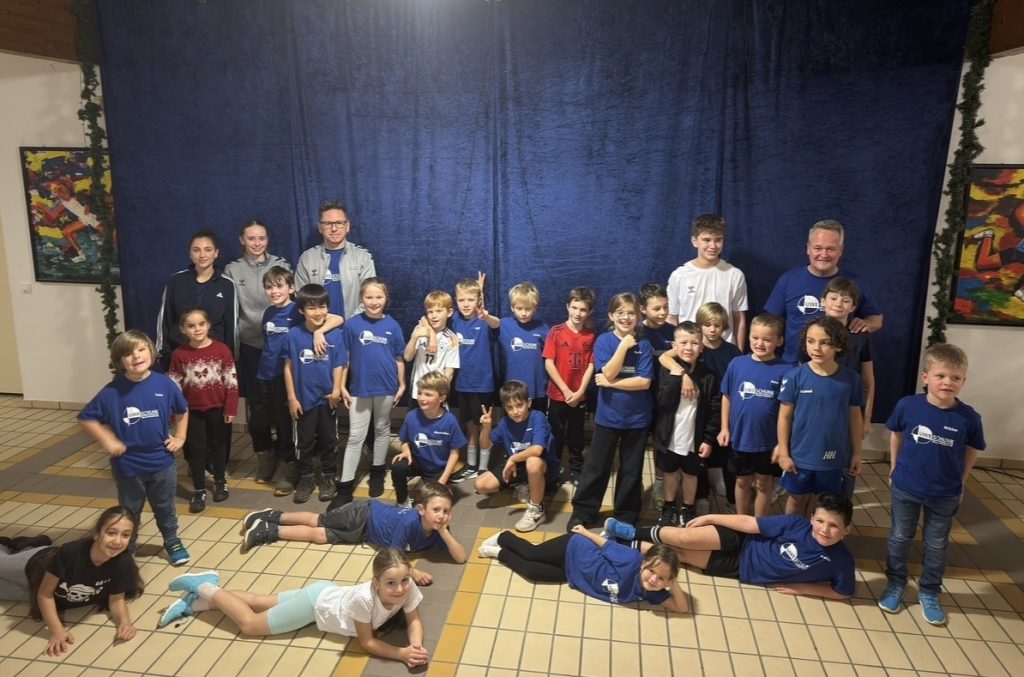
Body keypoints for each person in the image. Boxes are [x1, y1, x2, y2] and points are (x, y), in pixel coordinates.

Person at [161, 548, 431, 669]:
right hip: (315, 606)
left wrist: (416, 646)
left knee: (257, 600)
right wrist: (401, 653)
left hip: (325, 592)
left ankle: (193, 603)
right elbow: (367, 642)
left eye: (404, 580)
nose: (399, 589)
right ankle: (204, 585)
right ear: (376, 583)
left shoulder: (408, 588)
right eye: (391, 583)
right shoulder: (364, 599)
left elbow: (414, 619)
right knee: (250, 625)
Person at [879, 343, 985, 626]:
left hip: (944, 493)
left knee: (937, 544)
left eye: (955, 378)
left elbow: (972, 450)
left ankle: (929, 591)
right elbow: (897, 435)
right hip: (906, 487)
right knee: (900, 536)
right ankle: (896, 583)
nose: (947, 382)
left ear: (963, 381)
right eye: (941, 376)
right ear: (926, 377)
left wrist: (961, 482)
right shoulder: (908, 405)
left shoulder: (969, 418)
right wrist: (894, 467)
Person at [604, 492, 856, 600]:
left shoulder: (842, 561)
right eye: (820, 521)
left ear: (847, 530)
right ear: (812, 518)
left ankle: (623, 543)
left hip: (741, 568)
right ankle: (631, 531)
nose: (824, 530)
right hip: (741, 540)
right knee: (684, 537)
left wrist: (802, 589)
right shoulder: (795, 525)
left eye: (833, 526)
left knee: (680, 554)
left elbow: (843, 592)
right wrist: (711, 517)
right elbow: (749, 524)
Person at [78, 331, 192, 566]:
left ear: (151, 351)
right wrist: (108, 440)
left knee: (165, 506)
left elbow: (182, 410)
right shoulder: (112, 392)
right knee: (130, 510)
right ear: (120, 361)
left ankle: (171, 540)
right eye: (128, 354)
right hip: (128, 466)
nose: (136, 356)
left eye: (141, 349)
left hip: (162, 462)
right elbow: (86, 418)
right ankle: (127, 547)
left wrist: (181, 436)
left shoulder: (164, 384)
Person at [240, 481, 467, 584]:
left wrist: (444, 532)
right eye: (436, 510)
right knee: (317, 520)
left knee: (320, 536)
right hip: (363, 513)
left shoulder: (439, 529)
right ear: (421, 510)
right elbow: (393, 554)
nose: (441, 516)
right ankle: (272, 515)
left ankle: (270, 531)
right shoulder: (409, 522)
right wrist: (414, 573)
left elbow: (461, 557)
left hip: (365, 534)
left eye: (446, 511)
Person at [0, 507, 144, 657]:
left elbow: (116, 598)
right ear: (96, 533)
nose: (117, 541)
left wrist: (125, 623)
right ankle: (24, 546)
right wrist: (57, 631)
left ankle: (29, 544)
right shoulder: (71, 552)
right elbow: (45, 595)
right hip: (36, 566)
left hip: (36, 590)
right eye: (111, 533)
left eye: (125, 535)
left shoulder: (123, 562)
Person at [568, 293, 654, 529]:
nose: (625, 318)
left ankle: (626, 515)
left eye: (631, 313)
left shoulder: (644, 345)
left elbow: (644, 382)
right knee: (596, 468)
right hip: (608, 417)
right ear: (611, 316)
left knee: (631, 470)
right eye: (620, 313)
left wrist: (611, 383)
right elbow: (607, 372)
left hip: (637, 419)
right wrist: (623, 346)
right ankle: (583, 512)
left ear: (638, 316)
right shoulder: (604, 341)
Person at [253, 266, 342, 493]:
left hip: (292, 378)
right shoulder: (269, 312)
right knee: (260, 424)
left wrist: (319, 332)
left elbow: (335, 318)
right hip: (266, 375)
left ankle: (294, 472)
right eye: (269, 287)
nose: (274, 291)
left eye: (279, 286)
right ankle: (274, 462)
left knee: (291, 427)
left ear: (291, 288)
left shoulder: (297, 309)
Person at [477, 525, 687, 612]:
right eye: (651, 571)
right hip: (575, 547)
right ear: (643, 564)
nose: (653, 579)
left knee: (532, 573)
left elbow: (681, 608)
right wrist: (586, 533)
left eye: (662, 578)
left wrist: (673, 583)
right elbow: (606, 545)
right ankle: (503, 537)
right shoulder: (631, 560)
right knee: (532, 553)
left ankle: (498, 553)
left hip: (573, 572)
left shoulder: (653, 591)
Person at [775, 317, 864, 517]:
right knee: (796, 499)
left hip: (833, 458)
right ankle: (791, 533)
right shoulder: (794, 377)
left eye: (825, 342)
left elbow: (855, 418)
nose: (816, 348)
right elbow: (784, 417)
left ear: (838, 346)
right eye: (810, 341)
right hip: (799, 456)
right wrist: (783, 452)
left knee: (823, 503)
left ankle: (814, 535)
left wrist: (857, 453)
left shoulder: (851, 379)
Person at [764, 219, 883, 363]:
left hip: (839, 367)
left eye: (831, 249)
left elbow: (877, 319)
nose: (824, 254)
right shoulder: (788, 280)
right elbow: (770, 323)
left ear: (841, 250)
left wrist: (865, 323)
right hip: (793, 365)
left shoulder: (855, 283)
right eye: (818, 248)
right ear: (808, 248)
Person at [222, 220, 292, 459]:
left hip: (281, 349)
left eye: (261, 238)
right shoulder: (232, 270)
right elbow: (229, 310)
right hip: (251, 347)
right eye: (251, 238)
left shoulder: (281, 265)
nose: (256, 243)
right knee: (257, 407)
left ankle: (286, 454)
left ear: (267, 239)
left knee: (283, 405)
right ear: (242, 240)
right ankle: (264, 453)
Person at [339, 277, 406, 503]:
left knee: (382, 428)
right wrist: (341, 386)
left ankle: (377, 471)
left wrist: (402, 384)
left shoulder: (392, 325)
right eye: (369, 297)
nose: (374, 301)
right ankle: (345, 486)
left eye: (379, 297)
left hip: (386, 386)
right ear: (361, 298)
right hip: (360, 388)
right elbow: (345, 358)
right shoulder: (352, 325)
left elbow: (399, 357)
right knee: (355, 436)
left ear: (386, 298)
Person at [718, 314, 791, 516]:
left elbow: (788, 412)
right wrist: (724, 427)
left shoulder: (786, 370)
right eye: (755, 337)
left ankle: (759, 525)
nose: (760, 343)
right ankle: (741, 522)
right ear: (749, 336)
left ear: (779, 341)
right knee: (742, 482)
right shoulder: (737, 364)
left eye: (767, 339)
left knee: (763, 483)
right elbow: (727, 397)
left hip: (767, 441)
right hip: (740, 438)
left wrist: (781, 444)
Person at [168, 308, 239, 511]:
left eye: (201, 324)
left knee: (219, 446)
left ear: (208, 325)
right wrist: (174, 413)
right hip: (191, 412)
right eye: (191, 326)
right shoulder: (179, 354)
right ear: (183, 329)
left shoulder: (222, 350)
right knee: (196, 450)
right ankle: (199, 489)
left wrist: (230, 408)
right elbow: (174, 387)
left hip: (218, 409)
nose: (197, 329)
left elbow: (231, 381)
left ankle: (220, 482)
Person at [653, 322, 720, 527]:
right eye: (683, 343)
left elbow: (714, 410)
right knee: (670, 473)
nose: (689, 348)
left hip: (695, 438)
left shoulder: (708, 376)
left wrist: (708, 439)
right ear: (674, 345)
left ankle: (688, 507)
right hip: (669, 436)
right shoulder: (667, 370)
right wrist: (678, 376)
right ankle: (669, 506)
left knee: (691, 475)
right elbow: (663, 401)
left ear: (702, 347)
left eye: (694, 343)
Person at [285, 284, 347, 504]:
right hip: (303, 400)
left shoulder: (336, 335)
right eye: (311, 308)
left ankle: (329, 476)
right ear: (301, 310)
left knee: (330, 439)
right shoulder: (294, 335)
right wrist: (292, 398)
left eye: (322, 307)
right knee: (304, 442)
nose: (318, 312)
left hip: (328, 399)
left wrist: (337, 390)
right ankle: (306, 477)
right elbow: (288, 368)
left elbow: (339, 364)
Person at [474, 380, 561, 532]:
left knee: (532, 462)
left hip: (542, 467)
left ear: (529, 402)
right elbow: (485, 445)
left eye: (519, 405)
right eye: (509, 407)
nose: (515, 411)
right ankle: (523, 486)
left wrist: (513, 458)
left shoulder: (537, 417)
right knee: (480, 485)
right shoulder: (505, 423)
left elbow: (537, 450)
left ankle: (537, 509)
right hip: (516, 467)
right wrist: (486, 429)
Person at [156, 229, 237, 371]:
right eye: (196, 250)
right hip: (180, 356)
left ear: (216, 253)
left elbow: (231, 326)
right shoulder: (176, 281)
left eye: (208, 250)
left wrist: (230, 360)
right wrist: (165, 356)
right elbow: (165, 321)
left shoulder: (227, 285)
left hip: (214, 360)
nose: (202, 255)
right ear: (190, 254)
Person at [666, 214, 748, 352]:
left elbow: (739, 318)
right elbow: (672, 318)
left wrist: (738, 355)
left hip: (724, 351)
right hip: (691, 352)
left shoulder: (734, 275)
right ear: (695, 241)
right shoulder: (679, 275)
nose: (713, 246)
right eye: (706, 240)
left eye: (718, 240)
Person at [542, 287, 596, 486]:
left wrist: (580, 392)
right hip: (558, 394)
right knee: (555, 434)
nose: (577, 313)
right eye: (574, 308)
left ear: (589, 312)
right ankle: (554, 469)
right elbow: (549, 363)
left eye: (583, 309)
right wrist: (565, 390)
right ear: (567, 306)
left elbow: (591, 365)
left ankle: (575, 469)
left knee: (576, 435)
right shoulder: (556, 332)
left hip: (579, 396)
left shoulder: (591, 336)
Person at [448, 274, 497, 483]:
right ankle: (470, 465)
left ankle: (483, 468)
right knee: (469, 425)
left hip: (482, 385)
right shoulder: (455, 320)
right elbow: (429, 318)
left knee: (483, 425)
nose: (466, 304)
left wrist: (482, 300)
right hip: (462, 384)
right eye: (461, 300)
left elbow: (496, 323)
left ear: (478, 300)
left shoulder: (484, 320)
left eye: (471, 299)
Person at [391, 373, 467, 507]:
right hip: (417, 462)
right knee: (398, 466)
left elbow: (455, 453)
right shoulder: (411, 416)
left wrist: (443, 479)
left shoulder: (450, 421)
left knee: (434, 504)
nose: (422, 398)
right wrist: (405, 450)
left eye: (428, 395)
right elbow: (404, 440)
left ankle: (442, 485)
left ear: (442, 397)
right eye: (420, 393)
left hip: (437, 469)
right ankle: (402, 501)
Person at [294, 200, 376, 320]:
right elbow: (301, 297)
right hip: (319, 328)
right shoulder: (307, 258)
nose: (334, 228)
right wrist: (322, 324)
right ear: (320, 227)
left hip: (354, 327)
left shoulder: (363, 257)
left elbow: (370, 296)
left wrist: (352, 325)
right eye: (328, 223)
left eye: (339, 223)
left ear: (347, 226)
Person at [480, 281, 549, 406]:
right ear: (512, 307)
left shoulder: (542, 328)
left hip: (537, 389)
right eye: (519, 308)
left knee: (537, 418)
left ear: (535, 308)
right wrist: (486, 317)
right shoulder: (505, 324)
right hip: (512, 389)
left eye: (528, 309)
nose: (523, 313)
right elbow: (495, 323)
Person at [404, 290, 460, 398]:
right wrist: (414, 337)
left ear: (449, 312)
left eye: (439, 311)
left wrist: (442, 394)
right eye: (430, 312)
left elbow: (449, 371)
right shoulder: (420, 330)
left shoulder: (451, 338)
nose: (434, 316)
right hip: (417, 392)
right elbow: (407, 357)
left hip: (436, 394)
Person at [639, 283, 676, 354]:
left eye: (666, 307)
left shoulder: (674, 332)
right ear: (643, 309)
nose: (663, 312)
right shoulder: (636, 332)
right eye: (657, 309)